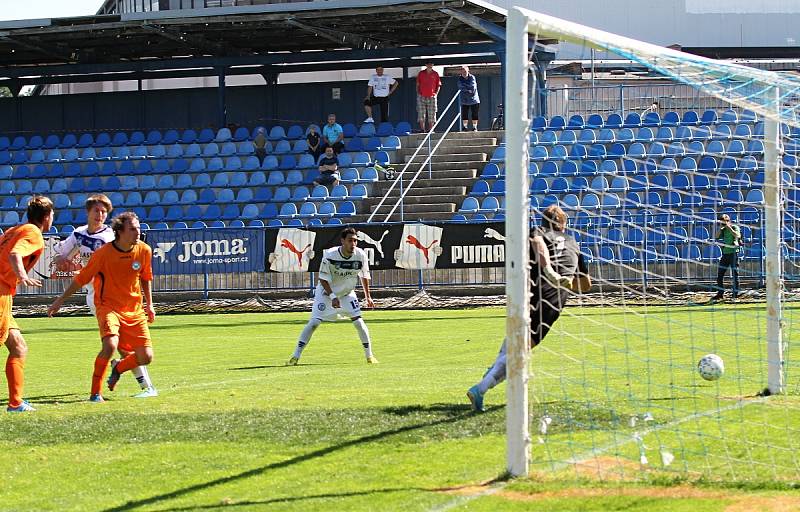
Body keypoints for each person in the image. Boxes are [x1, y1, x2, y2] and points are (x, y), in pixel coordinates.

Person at [466, 205, 592, 412]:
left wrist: (550, 270)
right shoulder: (572, 243)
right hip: (552, 299)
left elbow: (537, 243)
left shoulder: (538, 231)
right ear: (564, 224)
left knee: (514, 344)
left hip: (529, 293)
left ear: (544, 222)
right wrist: (561, 278)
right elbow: (586, 285)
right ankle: (482, 387)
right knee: (519, 348)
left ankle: (485, 383)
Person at [54, 194, 157, 398]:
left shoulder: (111, 238)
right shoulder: (78, 235)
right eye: (96, 211)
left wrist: (148, 303)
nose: (100, 215)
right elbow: (61, 256)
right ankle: (141, 386)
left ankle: (139, 382)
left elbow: (138, 270)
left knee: (123, 347)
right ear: (88, 212)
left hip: (124, 298)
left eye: (104, 211)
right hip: (99, 296)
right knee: (115, 345)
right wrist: (62, 261)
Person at [287, 227, 377, 366]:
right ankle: (295, 356)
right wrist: (333, 296)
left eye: (355, 241)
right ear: (342, 241)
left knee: (359, 322)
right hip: (326, 293)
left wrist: (368, 296)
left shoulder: (360, 255)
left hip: (347, 294)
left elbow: (364, 275)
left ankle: (370, 356)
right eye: (350, 241)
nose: (353, 244)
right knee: (314, 323)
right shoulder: (330, 255)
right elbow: (323, 278)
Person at [0, 196, 54, 412]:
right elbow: (15, 254)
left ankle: (15, 403)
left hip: (5, 294)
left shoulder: (14, 229)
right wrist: (22, 276)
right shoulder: (33, 233)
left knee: (19, 347)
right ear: (48, 217)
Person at [712, 213, 742, 301]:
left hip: (733, 253)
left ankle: (736, 293)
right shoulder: (723, 230)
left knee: (734, 274)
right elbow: (716, 237)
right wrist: (720, 229)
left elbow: (738, 235)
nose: (723, 224)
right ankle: (720, 293)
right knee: (720, 274)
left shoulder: (734, 227)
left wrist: (729, 227)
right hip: (725, 253)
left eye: (724, 222)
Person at [416, 62, 441, 132]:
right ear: (426, 65)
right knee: (421, 113)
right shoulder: (421, 73)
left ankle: (431, 129)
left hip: (432, 96)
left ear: (433, 65)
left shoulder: (436, 74)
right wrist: (418, 94)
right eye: (428, 64)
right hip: (421, 96)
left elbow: (438, 85)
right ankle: (422, 129)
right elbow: (417, 84)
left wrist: (436, 94)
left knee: (432, 113)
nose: (430, 65)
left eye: (431, 64)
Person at [458, 65, 480, 131]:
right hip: (464, 99)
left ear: (468, 71)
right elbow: (460, 87)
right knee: (465, 114)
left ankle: (474, 127)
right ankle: (465, 127)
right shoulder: (460, 79)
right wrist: (467, 89)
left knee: (475, 114)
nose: (464, 73)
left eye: (465, 71)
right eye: (462, 71)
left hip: (474, 99)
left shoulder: (472, 77)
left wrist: (465, 88)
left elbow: (473, 87)